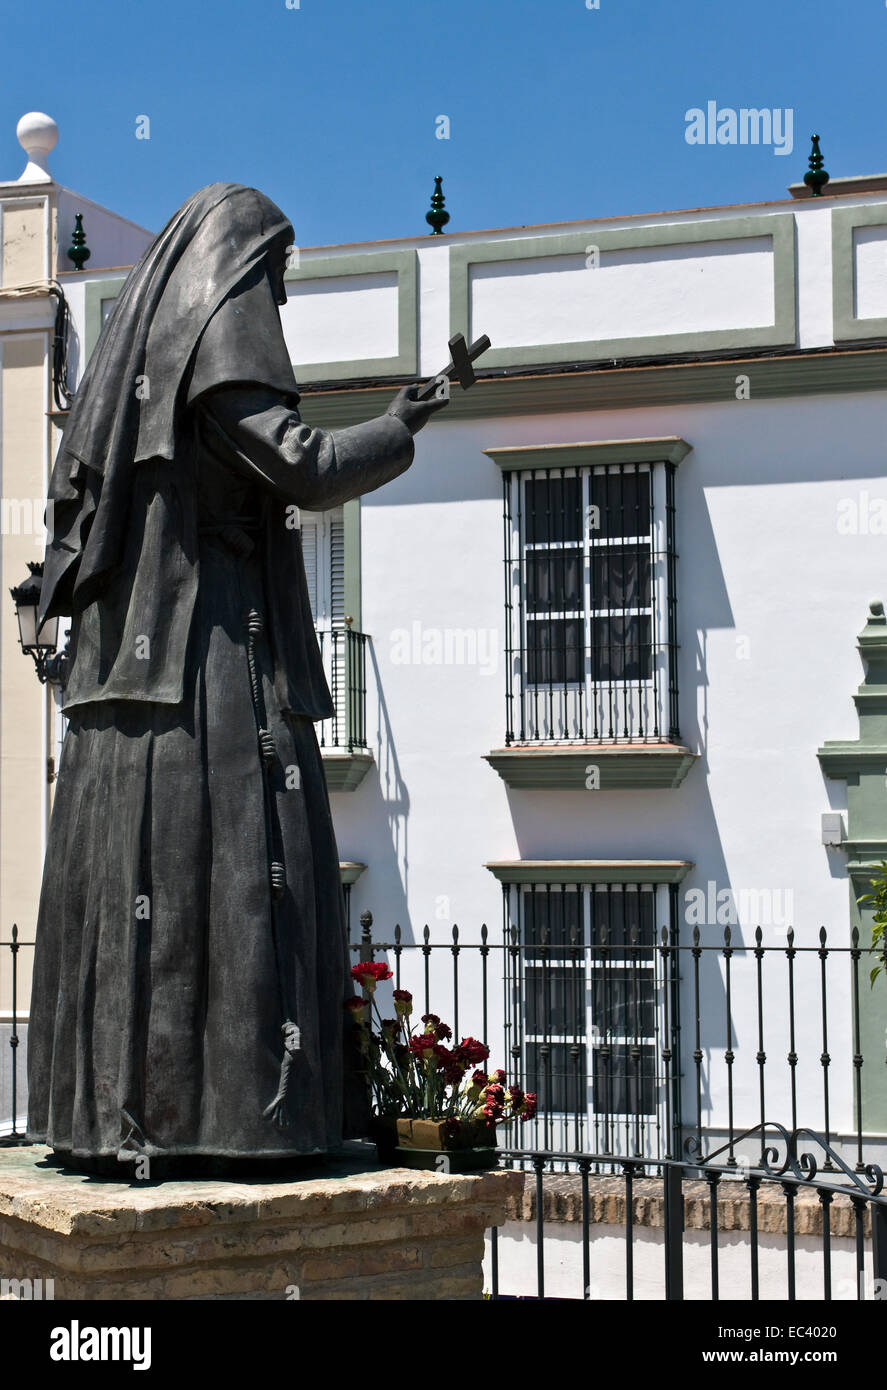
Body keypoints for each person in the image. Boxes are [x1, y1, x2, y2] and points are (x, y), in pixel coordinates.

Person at [26, 182, 446, 1171]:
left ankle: (119, 1114)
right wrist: (400, 425)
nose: (283, 301)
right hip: (212, 650)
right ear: (237, 272)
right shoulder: (223, 355)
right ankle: (235, 1116)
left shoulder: (151, 367)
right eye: (278, 276)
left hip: (145, 667)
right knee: (237, 874)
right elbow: (300, 466)